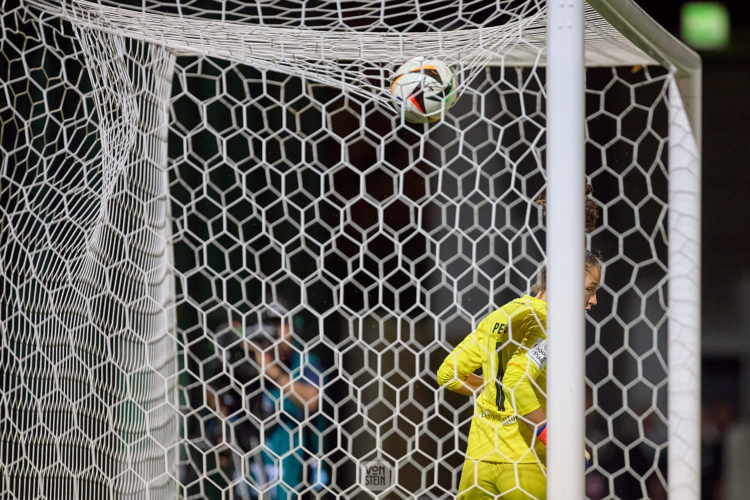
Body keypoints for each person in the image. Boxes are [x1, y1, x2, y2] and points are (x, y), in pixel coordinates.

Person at [436, 185, 601, 500]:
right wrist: (551, 434)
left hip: (478, 463)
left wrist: (491, 388)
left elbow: (448, 373)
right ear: (565, 280)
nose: (593, 301)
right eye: (590, 289)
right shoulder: (551, 322)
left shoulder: (500, 315)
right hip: (522, 466)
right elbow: (516, 382)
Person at [206, 300, 329, 499]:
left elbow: (310, 401)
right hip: (252, 486)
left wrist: (272, 372)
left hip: (298, 484)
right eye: (269, 324)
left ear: (293, 328)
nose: (275, 332)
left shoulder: (306, 364)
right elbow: (224, 453)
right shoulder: (247, 371)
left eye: (281, 324)